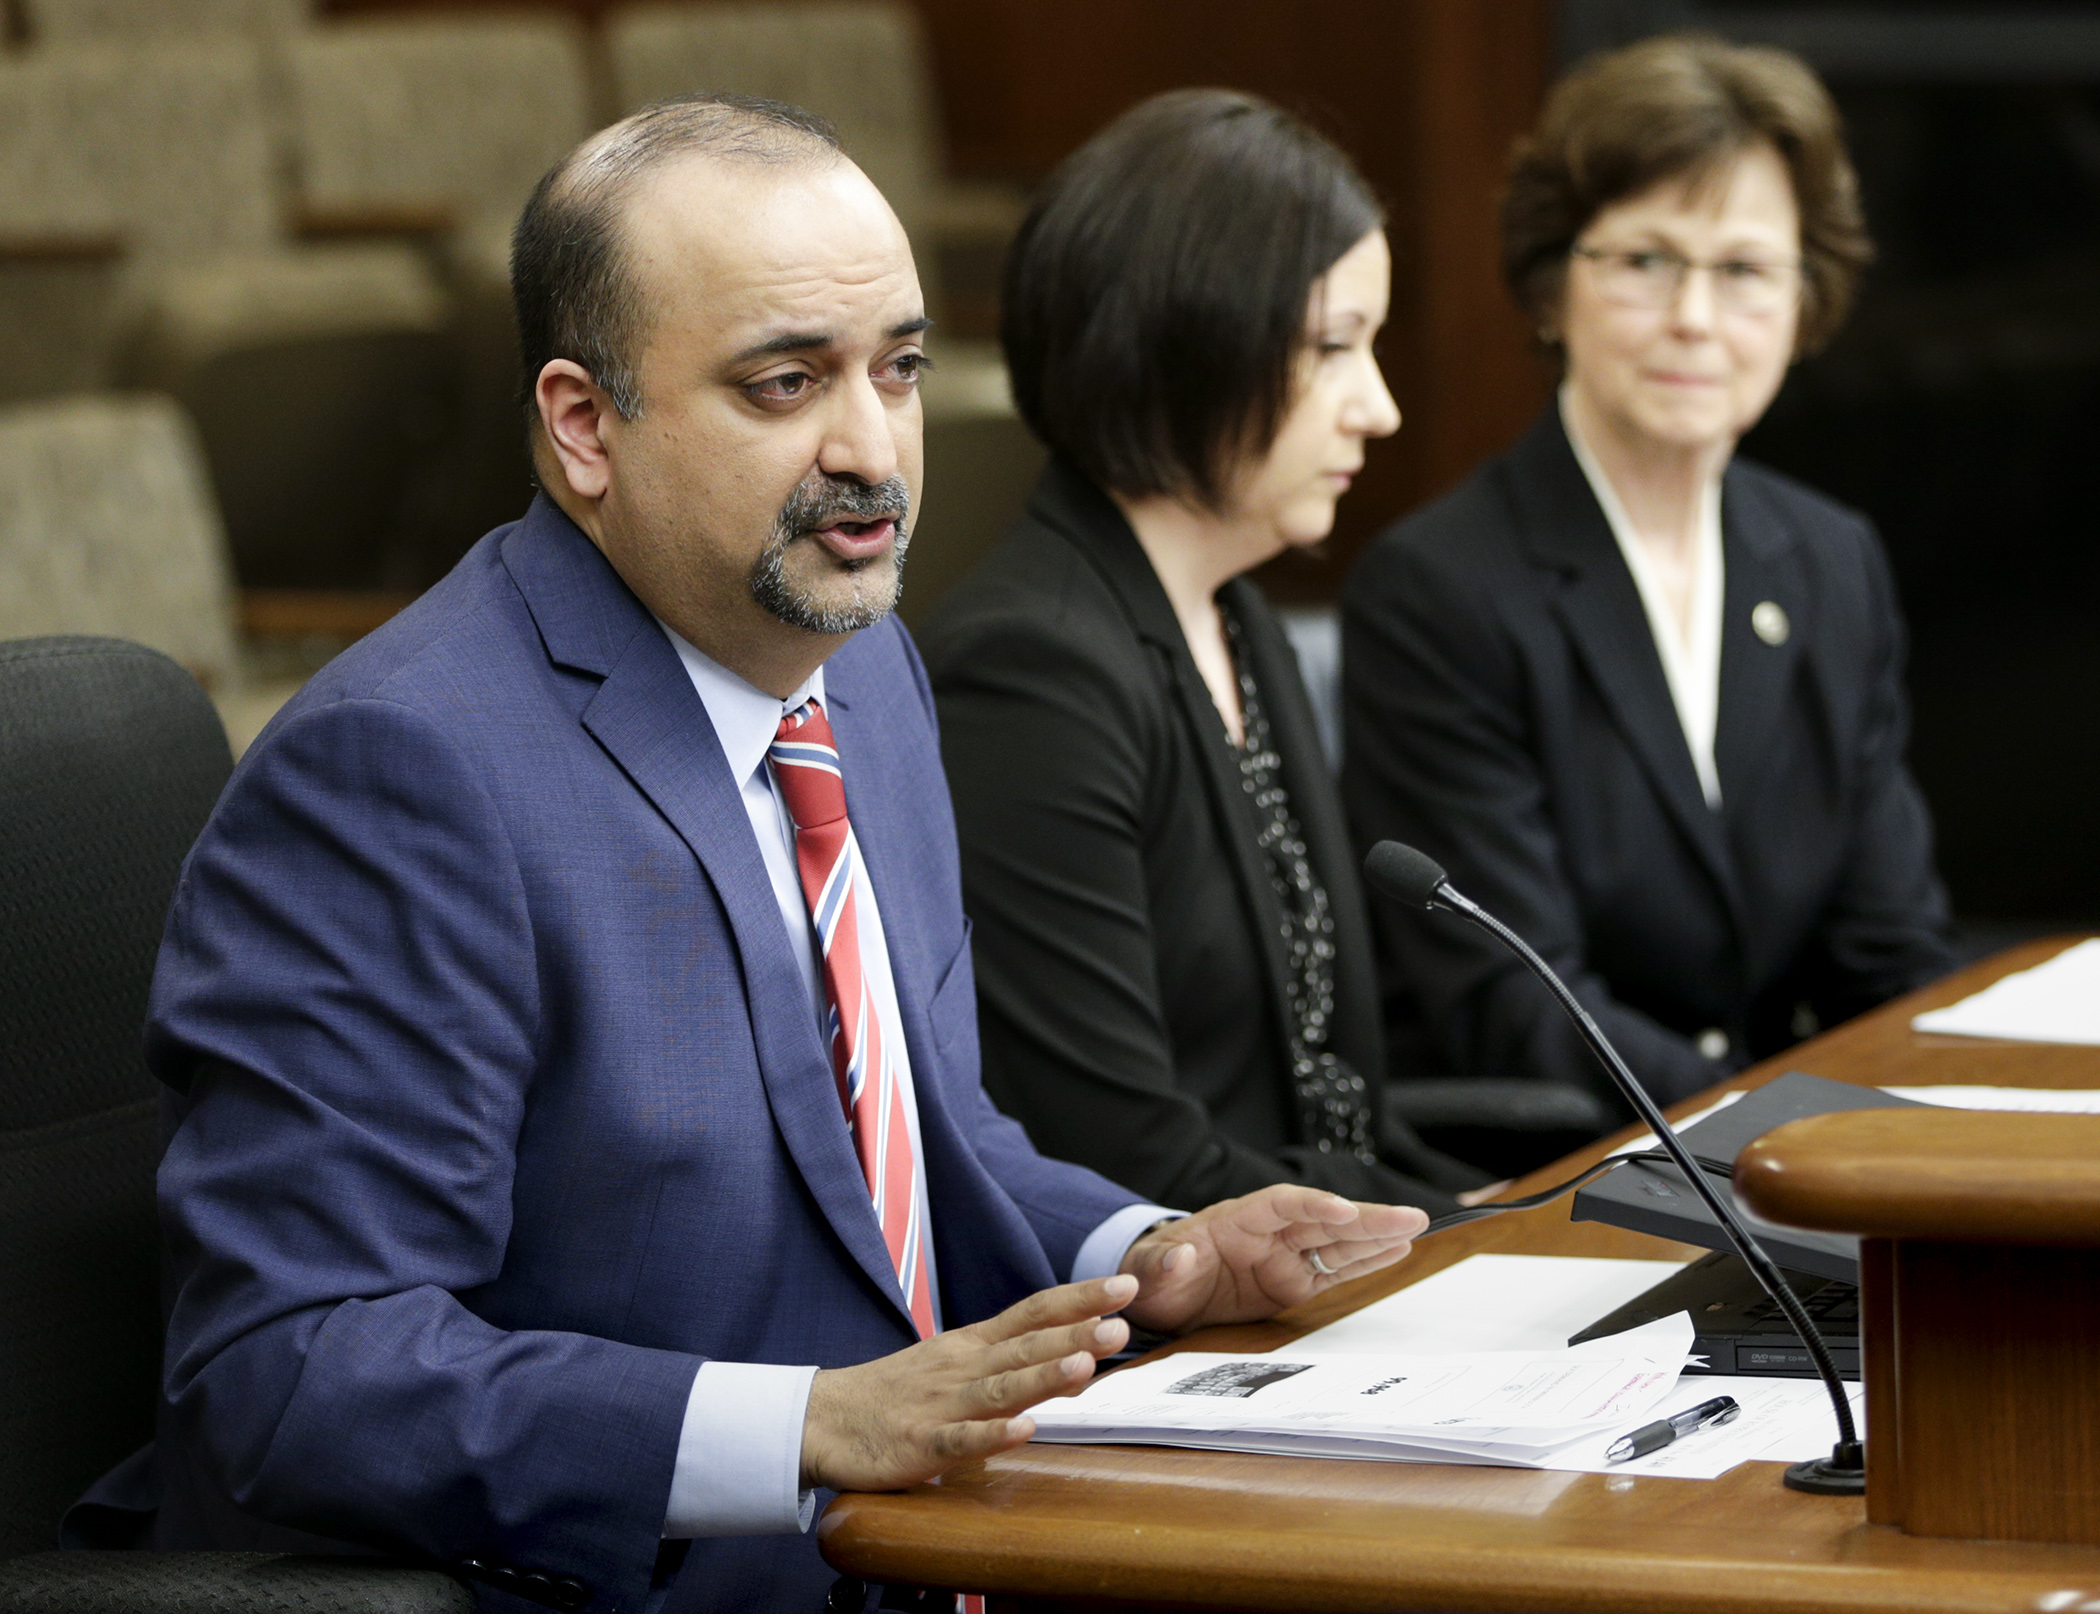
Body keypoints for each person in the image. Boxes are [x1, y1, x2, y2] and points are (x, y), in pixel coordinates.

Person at [101, 96, 1430, 1612]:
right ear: (584, 425)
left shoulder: (861, 672)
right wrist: (804, 1422)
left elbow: (921, 1140)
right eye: (785, 382)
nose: (870, 448)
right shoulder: (398, 775)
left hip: (939, 1552)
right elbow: (292, 1368)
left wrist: (1157, 1251)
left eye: (902, 370)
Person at [1341, 35, 1954, 1114]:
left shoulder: (1829, 559)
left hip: (1785, 1167)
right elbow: (1519, 1003)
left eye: (1745, 271)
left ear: (1806, 302)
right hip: (1565, 1177)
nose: (1696, 320)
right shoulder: (1438, 587)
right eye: (1645, 261)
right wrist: (1801, 1134)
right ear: (1548, 287)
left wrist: (1931, 1136)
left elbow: (1889, 948)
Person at [920, 91, 1492, 1215]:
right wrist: (1444, 1228)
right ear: (1185, 344)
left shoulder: (1240, 619)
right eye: (1334, 349)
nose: (1377, 409)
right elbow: (1118, 1159)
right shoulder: (1031, 672)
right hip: (1179, 1326)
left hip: (1324, 1276)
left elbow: (1329, 1093)